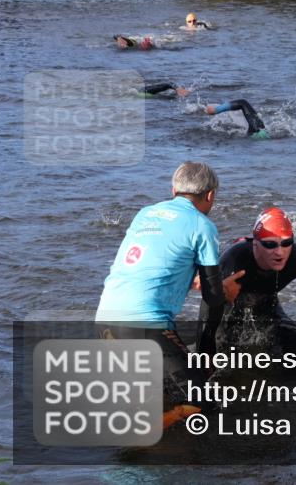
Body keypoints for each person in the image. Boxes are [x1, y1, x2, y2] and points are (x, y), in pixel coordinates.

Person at [95, 162, 234, 426]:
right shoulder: (202, 226)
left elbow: (156, 262)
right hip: (145, 326)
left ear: (173, 190)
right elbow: (213, 298)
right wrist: (207, 352)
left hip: (104, 321)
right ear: (211, 195)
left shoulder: (146, 213)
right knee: (205, 403)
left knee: (158, 394)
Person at [198, 207, 296, 356]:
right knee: (227, 355)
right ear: (255, 244)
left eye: (286, 243)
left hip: (267, 305)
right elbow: (208, 308)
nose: (279, 252)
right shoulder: (234, 260)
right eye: (270, 244)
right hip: (230, 311)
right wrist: (204, 359)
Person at [204, 99, 269, 140]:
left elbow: (242, 103)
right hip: (259, 138)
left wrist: (216, 110)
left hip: (257, 135)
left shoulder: (257, 128)